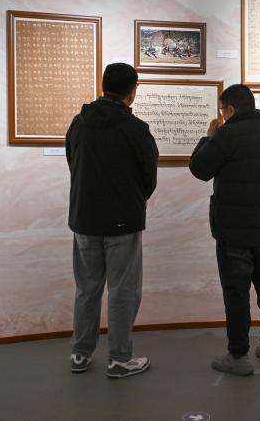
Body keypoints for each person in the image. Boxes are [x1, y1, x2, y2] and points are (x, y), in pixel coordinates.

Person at [189, 84, 260, 376]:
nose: (222, 117)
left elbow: (199, 169)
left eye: (222, 111)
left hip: (232, 232)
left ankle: (238, 356)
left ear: (231, 109)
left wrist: (208, 137)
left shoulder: (226, 136)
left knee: (236, 293)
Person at [65, 63, 158, 378]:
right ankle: (119, 358)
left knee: (86, 289)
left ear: (103, 87)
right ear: (132, 92)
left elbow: (72, 163)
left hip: (84, 218)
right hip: (123, 221)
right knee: (123, 291)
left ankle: (80, 354)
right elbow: (149, 178)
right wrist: (131, 199)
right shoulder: (136, 129)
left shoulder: (79, 123)